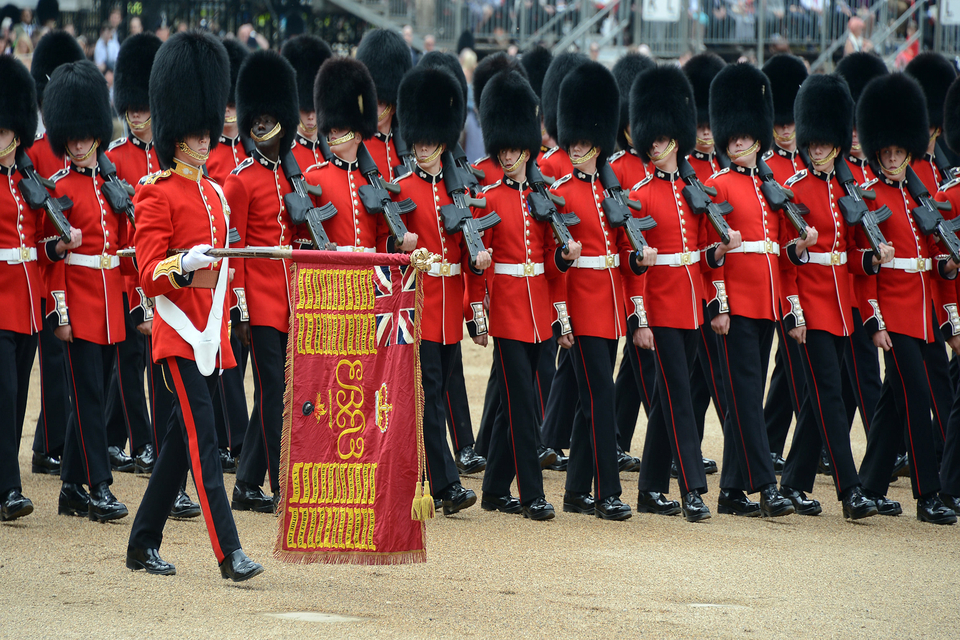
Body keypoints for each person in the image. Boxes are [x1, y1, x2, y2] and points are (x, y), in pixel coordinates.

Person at [127, 30, 264, 580]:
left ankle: (141, 542)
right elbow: (148, 270)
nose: (206, 138)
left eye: (209, 129)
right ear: (176, 131)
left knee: (181, 446)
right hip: (178, 334)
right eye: (197, 130)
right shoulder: (154, 191)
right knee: (204, 442)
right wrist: (183, 264)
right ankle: (229, 552)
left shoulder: (211, 193)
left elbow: (225, 269)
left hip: (211, 336)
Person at [466, 68, 578, 520]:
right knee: (524, 406)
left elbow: (552, 267)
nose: (509, 156)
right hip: (510, 311)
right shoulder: (488, 198)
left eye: (516, 149)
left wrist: (565, 260)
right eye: (504, 149)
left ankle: (494, 489)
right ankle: (532, 493)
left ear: (528, 147)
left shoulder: (544, 195)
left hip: (539, 310)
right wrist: (478, 315)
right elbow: (479, 262)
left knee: (512, 406)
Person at [777, 73, 888, 519]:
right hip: (813, 302)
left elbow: (853, 256)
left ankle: (794, 482)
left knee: (819, 398)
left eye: (824, 143)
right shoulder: (794, 190)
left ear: (837, 144)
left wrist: (873, 259)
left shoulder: (848, 189)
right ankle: (851, 489)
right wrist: (795, 314)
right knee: (829, 394)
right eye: (813, 142)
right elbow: (787, 261)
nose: (817, 149)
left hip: (843, 304)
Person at [550, 60, 655, 521]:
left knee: (590, 400)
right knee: (602, 399)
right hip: (581, 305)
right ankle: (607, 491)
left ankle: (575, 492)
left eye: (582, 143)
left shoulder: (612, 192)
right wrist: (562, 318)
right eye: (571, 142)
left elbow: (624, 255)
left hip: (609, 305)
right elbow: (556, 268)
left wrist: (636, 296)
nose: (575, 149)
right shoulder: (559, 194)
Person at [705, 62, 809, 518]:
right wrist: (720, 306)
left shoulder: (773, 187)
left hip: (765, 304)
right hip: (736, 306)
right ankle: (766, 485)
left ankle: (730, 491)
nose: (738, 143)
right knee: (745, 397)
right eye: (733, 138)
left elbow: (778, 256)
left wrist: (797, 253)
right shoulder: (718, 185)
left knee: (746, 398)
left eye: (745, 137)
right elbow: (716, 254)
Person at [854, 72, 958, 525]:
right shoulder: (866, 199)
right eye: (888, 151)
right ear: (878, 152)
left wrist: (947, 266)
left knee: (904, 399)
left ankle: (871, 485)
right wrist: (875, 323)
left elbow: (929, 260)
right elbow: (863, 272)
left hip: (924, 314)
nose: (894, 157)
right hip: (893, 316)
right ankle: (928, 493)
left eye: (900, 150)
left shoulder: (922, 196)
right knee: (916, 399)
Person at [394, 63, 491, 515]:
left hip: (451, 307)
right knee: (429, 394)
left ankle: (431, 474)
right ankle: (447, 484)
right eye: (419, 140)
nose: (425, 147)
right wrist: (401, 244)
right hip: (420, 305)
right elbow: (385, 250)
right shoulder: (400, 189)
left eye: (432, 140)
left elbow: (471, 255)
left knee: (442, 392)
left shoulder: (460, 190)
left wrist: (476, 310)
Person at [627, 63, 717, 522]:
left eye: (662, 140)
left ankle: (647, 489)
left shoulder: (694, 189)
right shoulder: (639, 195)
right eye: (651, 139)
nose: (655, 146)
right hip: (660, 310)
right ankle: (693, 490)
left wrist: (715, 299)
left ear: (676, 140)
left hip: (692, 307)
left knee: (666, 398)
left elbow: (704, 253)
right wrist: (639, 318)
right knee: (680, 397)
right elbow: (638, 262)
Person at [43, 59, 130, 523]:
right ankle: (99, 487)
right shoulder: (59, 188)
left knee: (91, 395)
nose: (77, 145)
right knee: (91, 398)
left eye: (83, 136)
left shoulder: (109, 185)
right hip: (77, 305)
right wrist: (61, 314)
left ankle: (71, 488)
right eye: (70, 138)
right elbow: (49, 257)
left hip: (110, 305)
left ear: (96, 133)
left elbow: (123, 251)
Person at [0, 55, 79, 521]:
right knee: (6, 393)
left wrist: (61, 245)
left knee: (15, 396)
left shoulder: (27, 183)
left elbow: (39, 247)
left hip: (27, 301)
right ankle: (10, 489)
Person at [225, 50, 301, 513]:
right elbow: (234, 251)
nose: (262, 124)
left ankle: (247, 482)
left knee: (281, 392)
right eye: (258, 117)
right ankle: (280, 485)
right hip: (259, 299)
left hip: (290, 295)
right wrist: (241, 309)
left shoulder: (291, 177)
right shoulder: (240, 180)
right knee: (273, 393)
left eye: (271, 117)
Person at [26, 30, 84, 478]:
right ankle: (46, 444)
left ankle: (56, 439)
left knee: (65, 364)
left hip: (69, 267)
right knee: (47, 364)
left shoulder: (69, 148)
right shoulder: (31, 152)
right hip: (42, 267)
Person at [104, 32, 161, 478]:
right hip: (127, 273)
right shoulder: (114, 157)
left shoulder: (165, 154)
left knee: (156, 362)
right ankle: (142, 443)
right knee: (129, 363)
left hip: (158, 271)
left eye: (144, 108)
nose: (139, 116)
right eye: (133, 108)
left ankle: (118, 438)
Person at [203, 37, 249, 470]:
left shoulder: (251, 151)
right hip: (218, 266)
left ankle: (238, 440)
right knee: (220, 353)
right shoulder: (210, 152)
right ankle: (225, 437)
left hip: (246, 269)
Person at [609, 51, 656, 466]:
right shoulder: (617, 168)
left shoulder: (653, 168)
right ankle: (671, 447)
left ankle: (617, 438)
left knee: (635, 366)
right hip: (632, 278)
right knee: (648, 367)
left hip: (662, 280)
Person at [682, 51, 727, 472]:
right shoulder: (688, 170)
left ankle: (689, 448)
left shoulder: (720, 167)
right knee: (710, 378)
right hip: (690, 287)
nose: (707, 133)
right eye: (700, 125)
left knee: (700, 378)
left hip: (711, 285)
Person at [355, 29, 412, 181]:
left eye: (380, 102)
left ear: (393, 106)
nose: (374, 108)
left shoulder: (408, 146)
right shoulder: (354, 146)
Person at [280, 34, 334, 171]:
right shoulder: (284, 155)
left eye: (314, 110)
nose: (310, 116)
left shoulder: (332, 151)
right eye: (305, 111)